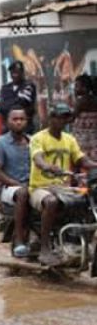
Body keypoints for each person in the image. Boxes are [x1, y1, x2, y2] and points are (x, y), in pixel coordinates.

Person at [29, 103, 97, 266]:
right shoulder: (38, 138)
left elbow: (81, 160)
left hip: (64, 188)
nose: (63, 121)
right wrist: (47, 166)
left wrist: (94, 165)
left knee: (88, 199)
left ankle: (76, 242)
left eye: (66, 118)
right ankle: (45, 248)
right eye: (60, 117)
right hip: (40, 188)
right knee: (51, 202)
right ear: (51, 118)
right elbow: (38, 159)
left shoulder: (69, 139)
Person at [0, 105, 31, 258]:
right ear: (7, 122)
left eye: (22, 119)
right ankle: (19, 239)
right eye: (15, 119)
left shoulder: (32, 142)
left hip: (30, 186)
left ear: (27, 121)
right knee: (23, 193)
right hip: (9, 189)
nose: (18, 122)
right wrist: (17, 184)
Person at [0, 61, 37, 133]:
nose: (14, 75)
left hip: (25, 128)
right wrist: (14, 102)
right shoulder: (5, 87)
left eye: (17, 72)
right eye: (12, 73)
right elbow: (0, 106)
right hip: (8, 128)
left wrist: (8, 104)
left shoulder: (29, 85)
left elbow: (22, 103)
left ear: (22, 73)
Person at [72, 74, 97, 162]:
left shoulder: (81, 101)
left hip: (83, 142)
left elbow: (71, 118)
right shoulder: (94, 100)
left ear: (85, 88)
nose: (75, 88)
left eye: (77, 86)